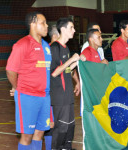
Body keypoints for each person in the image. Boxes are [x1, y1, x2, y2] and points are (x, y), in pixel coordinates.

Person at [6, 11, 51, 150]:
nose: (46, 26)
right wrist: (17, 87)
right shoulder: (22, 44)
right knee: (27, 136)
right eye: (43, 23)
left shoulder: (46, 46)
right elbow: (10, 70)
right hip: (28, 97)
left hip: (44, 97)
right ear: (33, 23)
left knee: (39, 132)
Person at [50, 17, 80, 150]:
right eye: (71, 28)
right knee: (61, 127)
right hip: (59, 96)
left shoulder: (66, 48)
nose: (74, 30)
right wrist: (71, 60)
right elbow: (55, 72)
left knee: (70, 126)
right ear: (63, 29)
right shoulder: (54, 47)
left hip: (67, 95)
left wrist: (76, 62)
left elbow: (66, 70)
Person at [44, 24, 60, 150]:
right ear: (55, 35)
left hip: (59, 95)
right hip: (49, 95)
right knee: (50, 125)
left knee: (57, 125)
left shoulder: (61, 49)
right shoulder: (48, 50)